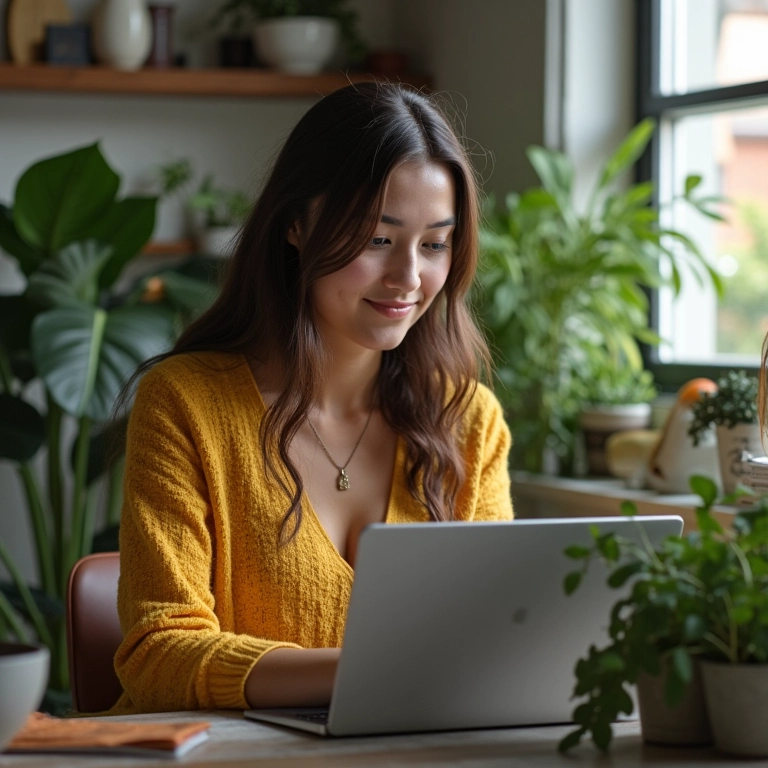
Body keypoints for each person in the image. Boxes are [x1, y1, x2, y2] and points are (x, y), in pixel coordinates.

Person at [112, 82, 514, 715]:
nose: (409, 277)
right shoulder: (184, 406)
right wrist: (375, 674)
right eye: (379, 239)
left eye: (435, 243)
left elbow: (496, 640)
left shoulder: (468, 421)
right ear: (297, 224)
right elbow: (158, 652)